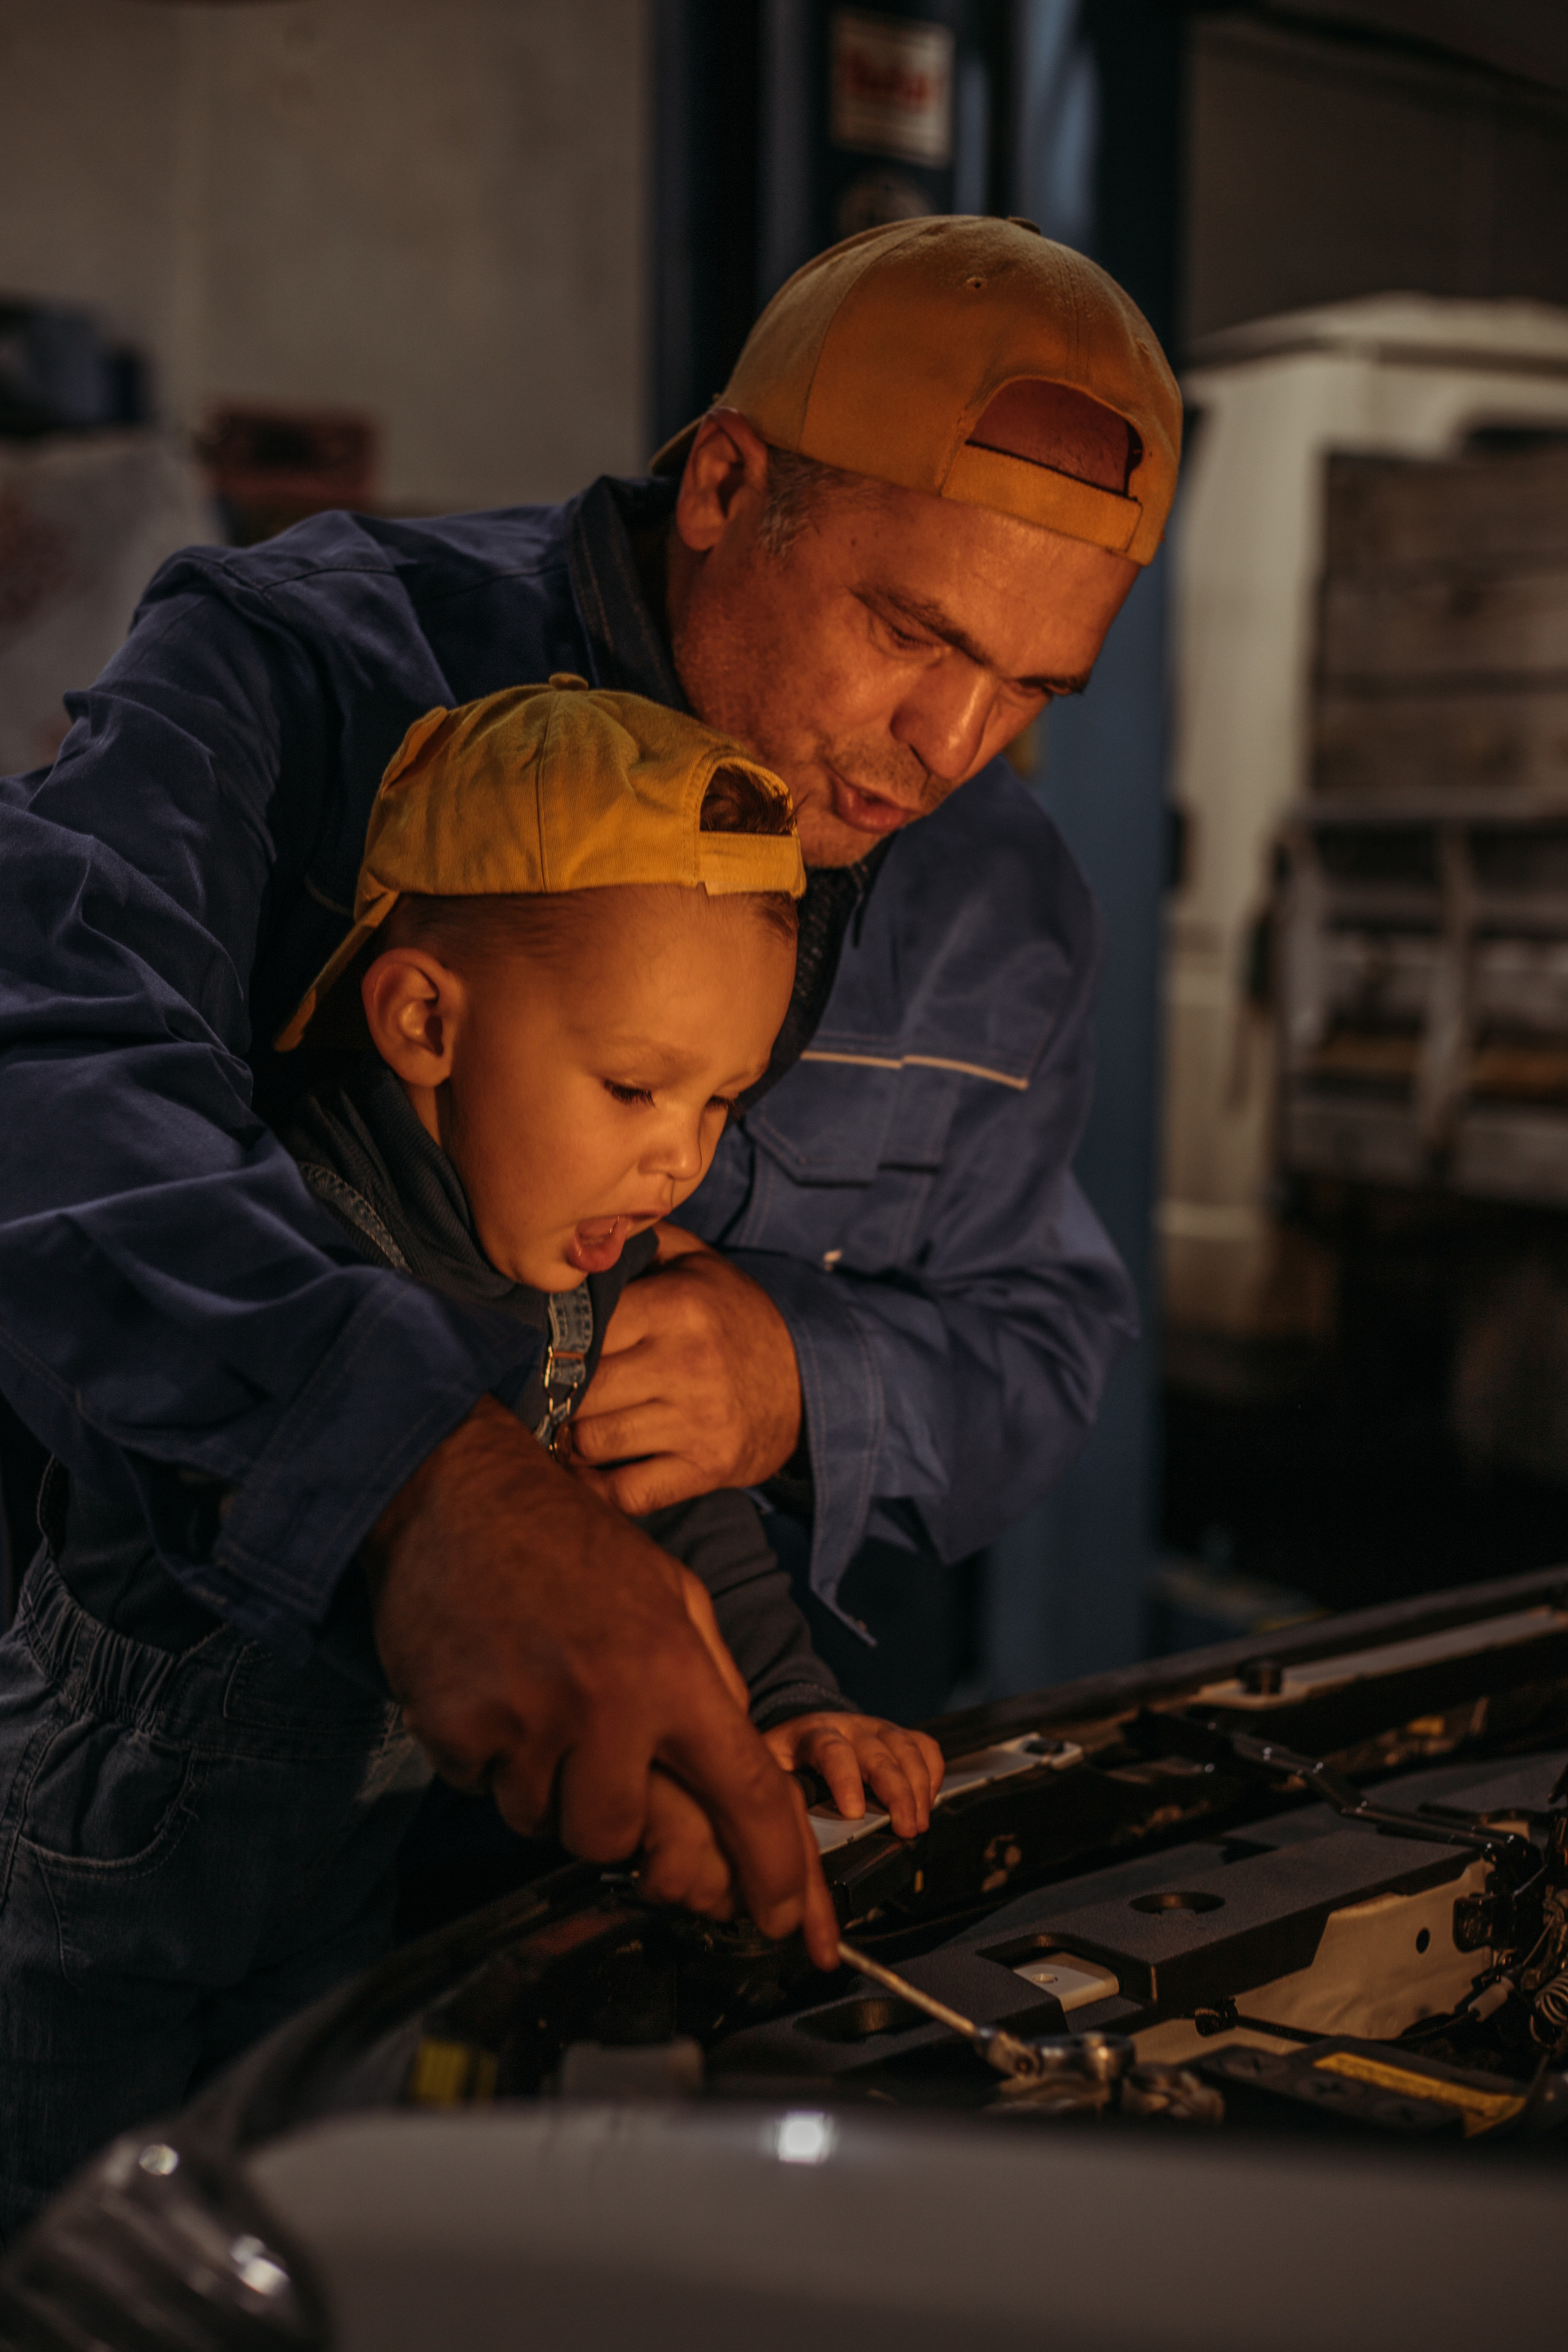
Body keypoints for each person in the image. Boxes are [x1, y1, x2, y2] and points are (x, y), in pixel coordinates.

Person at [0, 216, 1180, 1973]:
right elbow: (48, 1060)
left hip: (634, 1875)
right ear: (723, 483)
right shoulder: (309, 672)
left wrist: (800, 1382)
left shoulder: (1002, 908)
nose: (954, 746)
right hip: (154, 1820)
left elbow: (1046, 1337)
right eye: (910, 629)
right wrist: (418, 1482)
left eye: (1031, 684)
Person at [0, 677, 944, 2233]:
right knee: (80, 2234)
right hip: (103, 1864)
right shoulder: (281, 1244)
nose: (675, 1158)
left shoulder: (589, 1268)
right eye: (635, 1088)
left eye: (718, 1102)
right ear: (425, 1020)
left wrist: (787, 1708)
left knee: (288, 2218)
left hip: (340, 1876)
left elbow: (677, 1520)